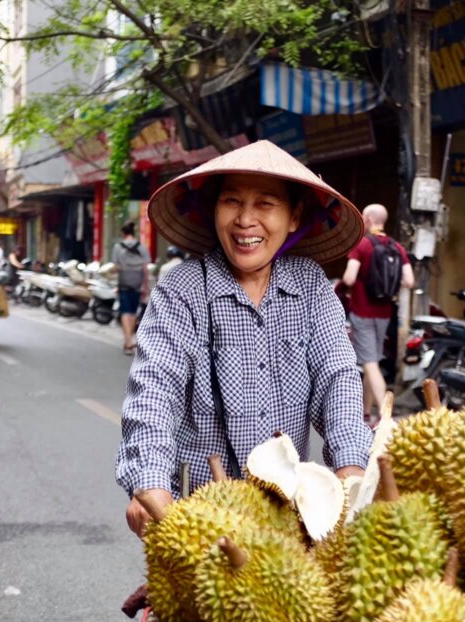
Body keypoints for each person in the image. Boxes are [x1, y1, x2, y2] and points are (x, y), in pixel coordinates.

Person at [117, 139, 372, 537]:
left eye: (266, 204)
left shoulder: (311, 287)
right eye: (232, 201)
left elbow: (337, 380)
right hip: (197, 518)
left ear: (293, 216)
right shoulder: (182, 289)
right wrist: (150, 485)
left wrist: (352, 474)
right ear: (213, 209)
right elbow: (153, 392)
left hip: (288, 517)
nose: (245, 220)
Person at [340, 203, 416, 425]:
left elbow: (348, 278)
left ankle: (385, 414)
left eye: (363, 217)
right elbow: (409, 281)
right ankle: (366, 413)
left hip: (362, 311)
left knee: (370, 362)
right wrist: (387, 284)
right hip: (384, 313)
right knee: (370, 359)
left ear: (370, 220)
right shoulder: (396, 246)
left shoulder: (362, 245)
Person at [112, 222, 151, 355]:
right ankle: (129, 340)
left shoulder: (118, 247)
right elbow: (146, 270)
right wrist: (145, 286)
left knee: (125, 312)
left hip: (123, 283)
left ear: (123, 234)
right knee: (133, 312)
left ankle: (128, 341)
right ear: (133, 234)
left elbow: (116, 267)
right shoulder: (142, 247)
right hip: (137, 283)